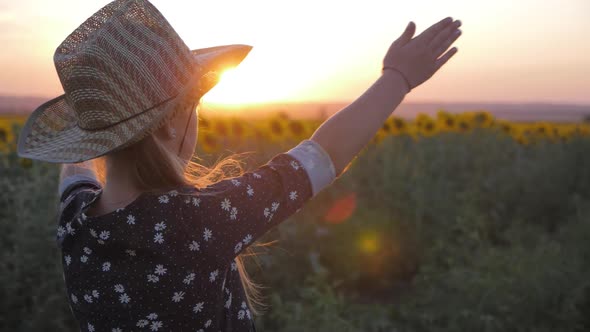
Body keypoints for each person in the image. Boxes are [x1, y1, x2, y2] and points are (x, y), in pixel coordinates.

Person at [17, 0, 462, 331]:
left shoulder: (75, 224)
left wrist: (95, 123)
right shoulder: (196, 222)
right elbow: (320, 157)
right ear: (173, 124)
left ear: (99, 139)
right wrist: (397, 78)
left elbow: (74, 171)